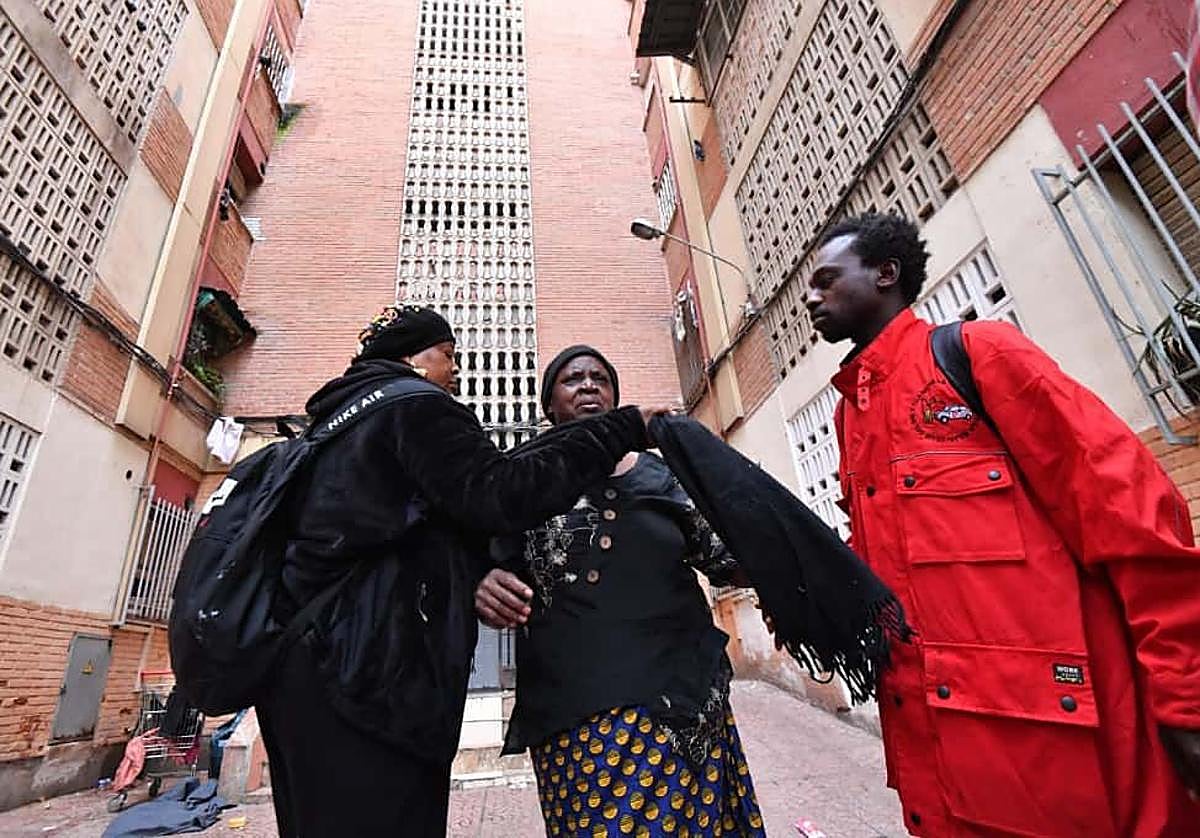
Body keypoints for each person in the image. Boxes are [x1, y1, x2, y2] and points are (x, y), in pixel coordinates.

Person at [801, 212, 1200, 836]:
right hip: (942, 762)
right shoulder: (851, 417)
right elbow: (883, 566)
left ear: (885, 274)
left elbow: (1132, 515)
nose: (810, 296)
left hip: (1071, 758)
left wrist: (1186, 697)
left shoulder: (977, 354)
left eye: (827, 279)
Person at [254, 309, 670, 837]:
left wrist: (473, 572)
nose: (456, 373)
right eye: (448, 356)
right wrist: (623, 427)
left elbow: (409, 530)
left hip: (301, 672)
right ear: (413, 358)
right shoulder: (414, 405)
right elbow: (497, 496)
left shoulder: (331, 425)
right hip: (366, 671)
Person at [474, 345, 766, 838]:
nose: (588, 385)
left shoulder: (664, 476)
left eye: (600, 379)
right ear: (549, 405)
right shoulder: (519, 478)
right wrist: (478, 583)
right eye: (572, 379)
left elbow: (725, 560)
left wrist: (785, 571)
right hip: (575, 705)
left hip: (681, 698)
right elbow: (466, 553)